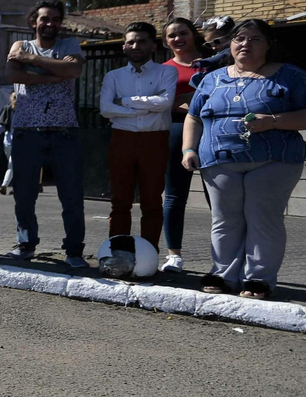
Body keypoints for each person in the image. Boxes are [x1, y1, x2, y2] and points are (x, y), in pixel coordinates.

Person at [182, 19, 306, 300]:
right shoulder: (212, 78)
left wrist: (273, 121)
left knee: (263, 218)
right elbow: (193, 116)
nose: (245, 44)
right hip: (218, 160)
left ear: (269, 45)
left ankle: (259, 279)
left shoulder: (291, 76)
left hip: (275, 160)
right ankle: (223, 275)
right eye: (239, 38)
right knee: (224, 219)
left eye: (255, 39)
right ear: (231, 44)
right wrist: (188, 150)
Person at [5, 0, 87, 268]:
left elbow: (74, 69)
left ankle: (74, 251)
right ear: (34, 22)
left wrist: (32, 62)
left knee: (71, 196)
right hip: (27, 131)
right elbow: (12, 73)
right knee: (24, 194)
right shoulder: (20, 45)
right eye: (44, 19)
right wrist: (54, 73)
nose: (49, 23)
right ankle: (26, 243)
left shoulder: (69, 45)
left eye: (55, 19)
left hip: (65, 132)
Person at [98, 21, 177, 268]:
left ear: (153, 45)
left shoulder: (166, 72)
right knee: (120, 200)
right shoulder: (114, 76)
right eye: (131, 41)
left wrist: (126, 102)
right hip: (122, 139)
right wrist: (141, 110)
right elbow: (105, 109)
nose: (136, 46)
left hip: (155, 140)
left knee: (152, 200)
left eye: (141, 41)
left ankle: (149, 256)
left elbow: (165, 103)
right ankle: (118, 255)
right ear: (124, 46)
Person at [159, 17, 205, 272]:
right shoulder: (164, 69)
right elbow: (159, 103)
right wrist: (192, 99)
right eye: (172, 36)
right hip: (175, 130)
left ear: (193, 35)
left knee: (219, 199)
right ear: (166, 42)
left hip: (213, 132)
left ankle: (227, 257)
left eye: (182, 33)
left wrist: (185, 99)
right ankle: (174, 255)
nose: (177, 39)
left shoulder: (213, 64)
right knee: (175, 196)